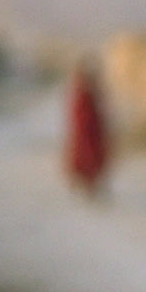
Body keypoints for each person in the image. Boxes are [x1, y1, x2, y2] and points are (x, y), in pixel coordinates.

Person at [64, 61, 109, 195]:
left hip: (92, 129)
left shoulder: (92, 90)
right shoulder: (81, 91)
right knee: (84, 155)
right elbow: (77, 112)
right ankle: (84, 184)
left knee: (92, 156)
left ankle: (90, 185)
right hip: (84, 128)